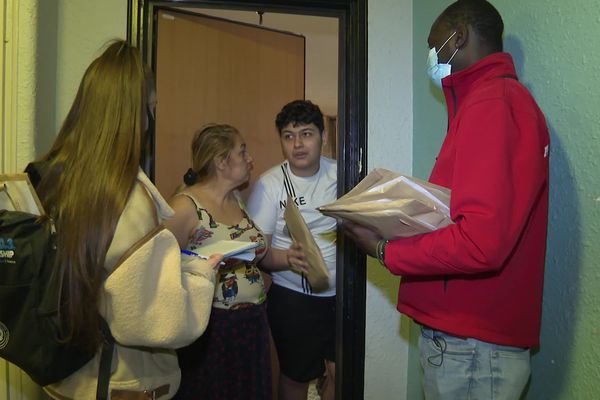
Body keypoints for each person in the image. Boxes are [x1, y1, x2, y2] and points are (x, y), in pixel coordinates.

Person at [342, 1, 550, 399]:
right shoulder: (489, 103)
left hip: (471, 345)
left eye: (433, 44)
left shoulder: (492, 104)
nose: (432, 56)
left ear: (459, 38)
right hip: (469, 342)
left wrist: (386, 250)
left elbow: (480, 243)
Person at [33, 40, 220, 400]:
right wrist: (200, 273)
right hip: (121, 385)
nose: (150, 122)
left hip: (64, 379)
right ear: (134, 113)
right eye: (150, 109)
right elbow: (153, 320)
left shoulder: (52, 178)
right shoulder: (126, 198)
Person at [164, 124, 298, 400]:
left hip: (252, 324)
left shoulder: (237, 200)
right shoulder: (184, 207)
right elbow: (160, 269)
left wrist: (290, 258)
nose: (250, 158)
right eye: (243, 151)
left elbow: (257, 255)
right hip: (211, 329)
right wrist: (204, 268)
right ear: (221, 162)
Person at [247, 100, 337, 400]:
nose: (298, 144)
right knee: (297, 377)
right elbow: (256, 252)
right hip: (294, 301)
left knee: (340, 372)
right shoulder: (269, 185)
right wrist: (286, 259)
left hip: (342, 298)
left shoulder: (343, 176)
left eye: (307, 134)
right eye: (288, 136)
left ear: (323, 136)